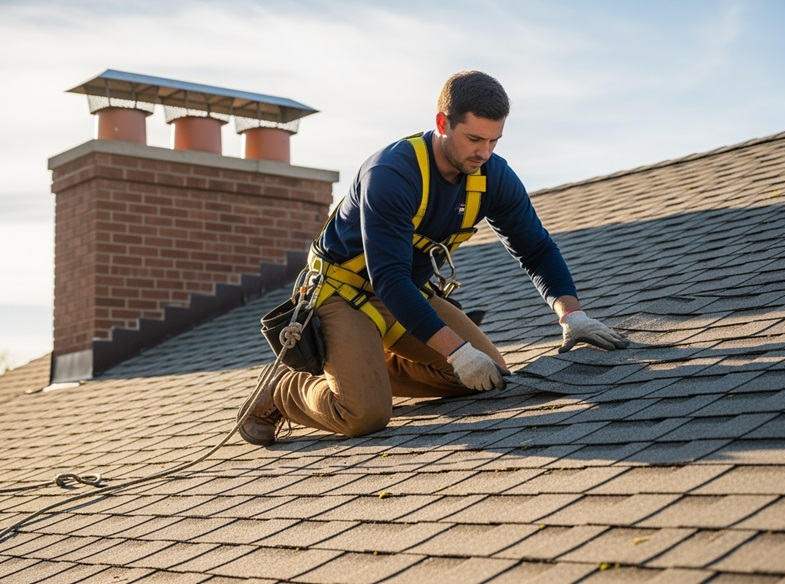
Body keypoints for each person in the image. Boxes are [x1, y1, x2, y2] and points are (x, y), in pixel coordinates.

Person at [238, 70, 629, 446]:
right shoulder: (391, 173)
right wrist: (457, 352)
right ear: (443, 122)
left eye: (494, 141)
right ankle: (286, 388)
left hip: (406, 295)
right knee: (364, 415)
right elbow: (388, 277)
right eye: (474, 139)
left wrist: (571, 314)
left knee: (489, 375)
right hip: (341, 294)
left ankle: (360, 370)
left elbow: (537, 248)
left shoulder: (493, 176)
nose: (484, 152)